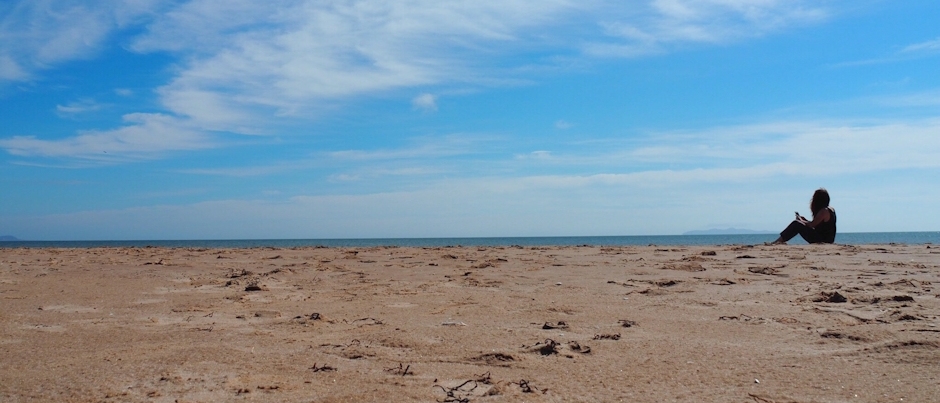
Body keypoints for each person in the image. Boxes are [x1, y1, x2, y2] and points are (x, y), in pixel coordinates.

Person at [770, 188, 836, 244]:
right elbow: (817, 224)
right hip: (827, 239)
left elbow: (812, 225)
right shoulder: (830, 209)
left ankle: (778, 241)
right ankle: (779, 241)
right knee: (797, 223)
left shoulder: (824, 211)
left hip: (822, 240)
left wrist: (801, 220)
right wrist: (805, 220)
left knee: (796, 224)